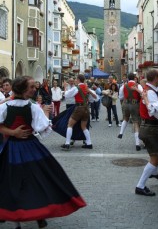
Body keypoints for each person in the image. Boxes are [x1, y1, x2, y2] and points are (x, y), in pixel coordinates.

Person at [0, 76, 86, 229]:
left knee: (33, 179)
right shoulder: (9, 106)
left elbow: (41, 126)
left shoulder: (31, 106)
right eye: (31, 87)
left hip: (22, 147)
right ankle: (19, 221)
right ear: (22, 89)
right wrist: (13, 132)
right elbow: (42, 126)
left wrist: (44, 113)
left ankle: (34, 216)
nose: (35, 89)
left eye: (34, 86)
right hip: (21, 147)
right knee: (22, 180)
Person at [135, 69, 158, 196]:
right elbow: (155, 110)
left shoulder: (150, 90)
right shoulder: (150, 91)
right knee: (155, 157)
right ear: (156, 78)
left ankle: (154, 172)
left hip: (151, 127)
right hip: (150, 128)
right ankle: (140, 186)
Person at [61, 74, 95, 150]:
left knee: (70, 125)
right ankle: (89, 143)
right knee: (84, 127)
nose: (75, 80)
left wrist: (65, 87)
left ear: (79, 79)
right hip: (86, 109)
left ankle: (67, 143)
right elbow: (94, 98)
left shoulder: (76, 88)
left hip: (79, 108)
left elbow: (67, 95)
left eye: (76, 79)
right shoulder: (86, 87)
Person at [118, 73, 143, 151]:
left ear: (128, 78)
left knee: (125, 118)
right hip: (135, 104)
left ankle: (121, 133)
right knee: (136, 122)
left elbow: (121, 97)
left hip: (126, 103)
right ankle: (137, 144)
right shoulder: (137, 85)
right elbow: (142, 93)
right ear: (135, 78)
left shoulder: (123, 86)